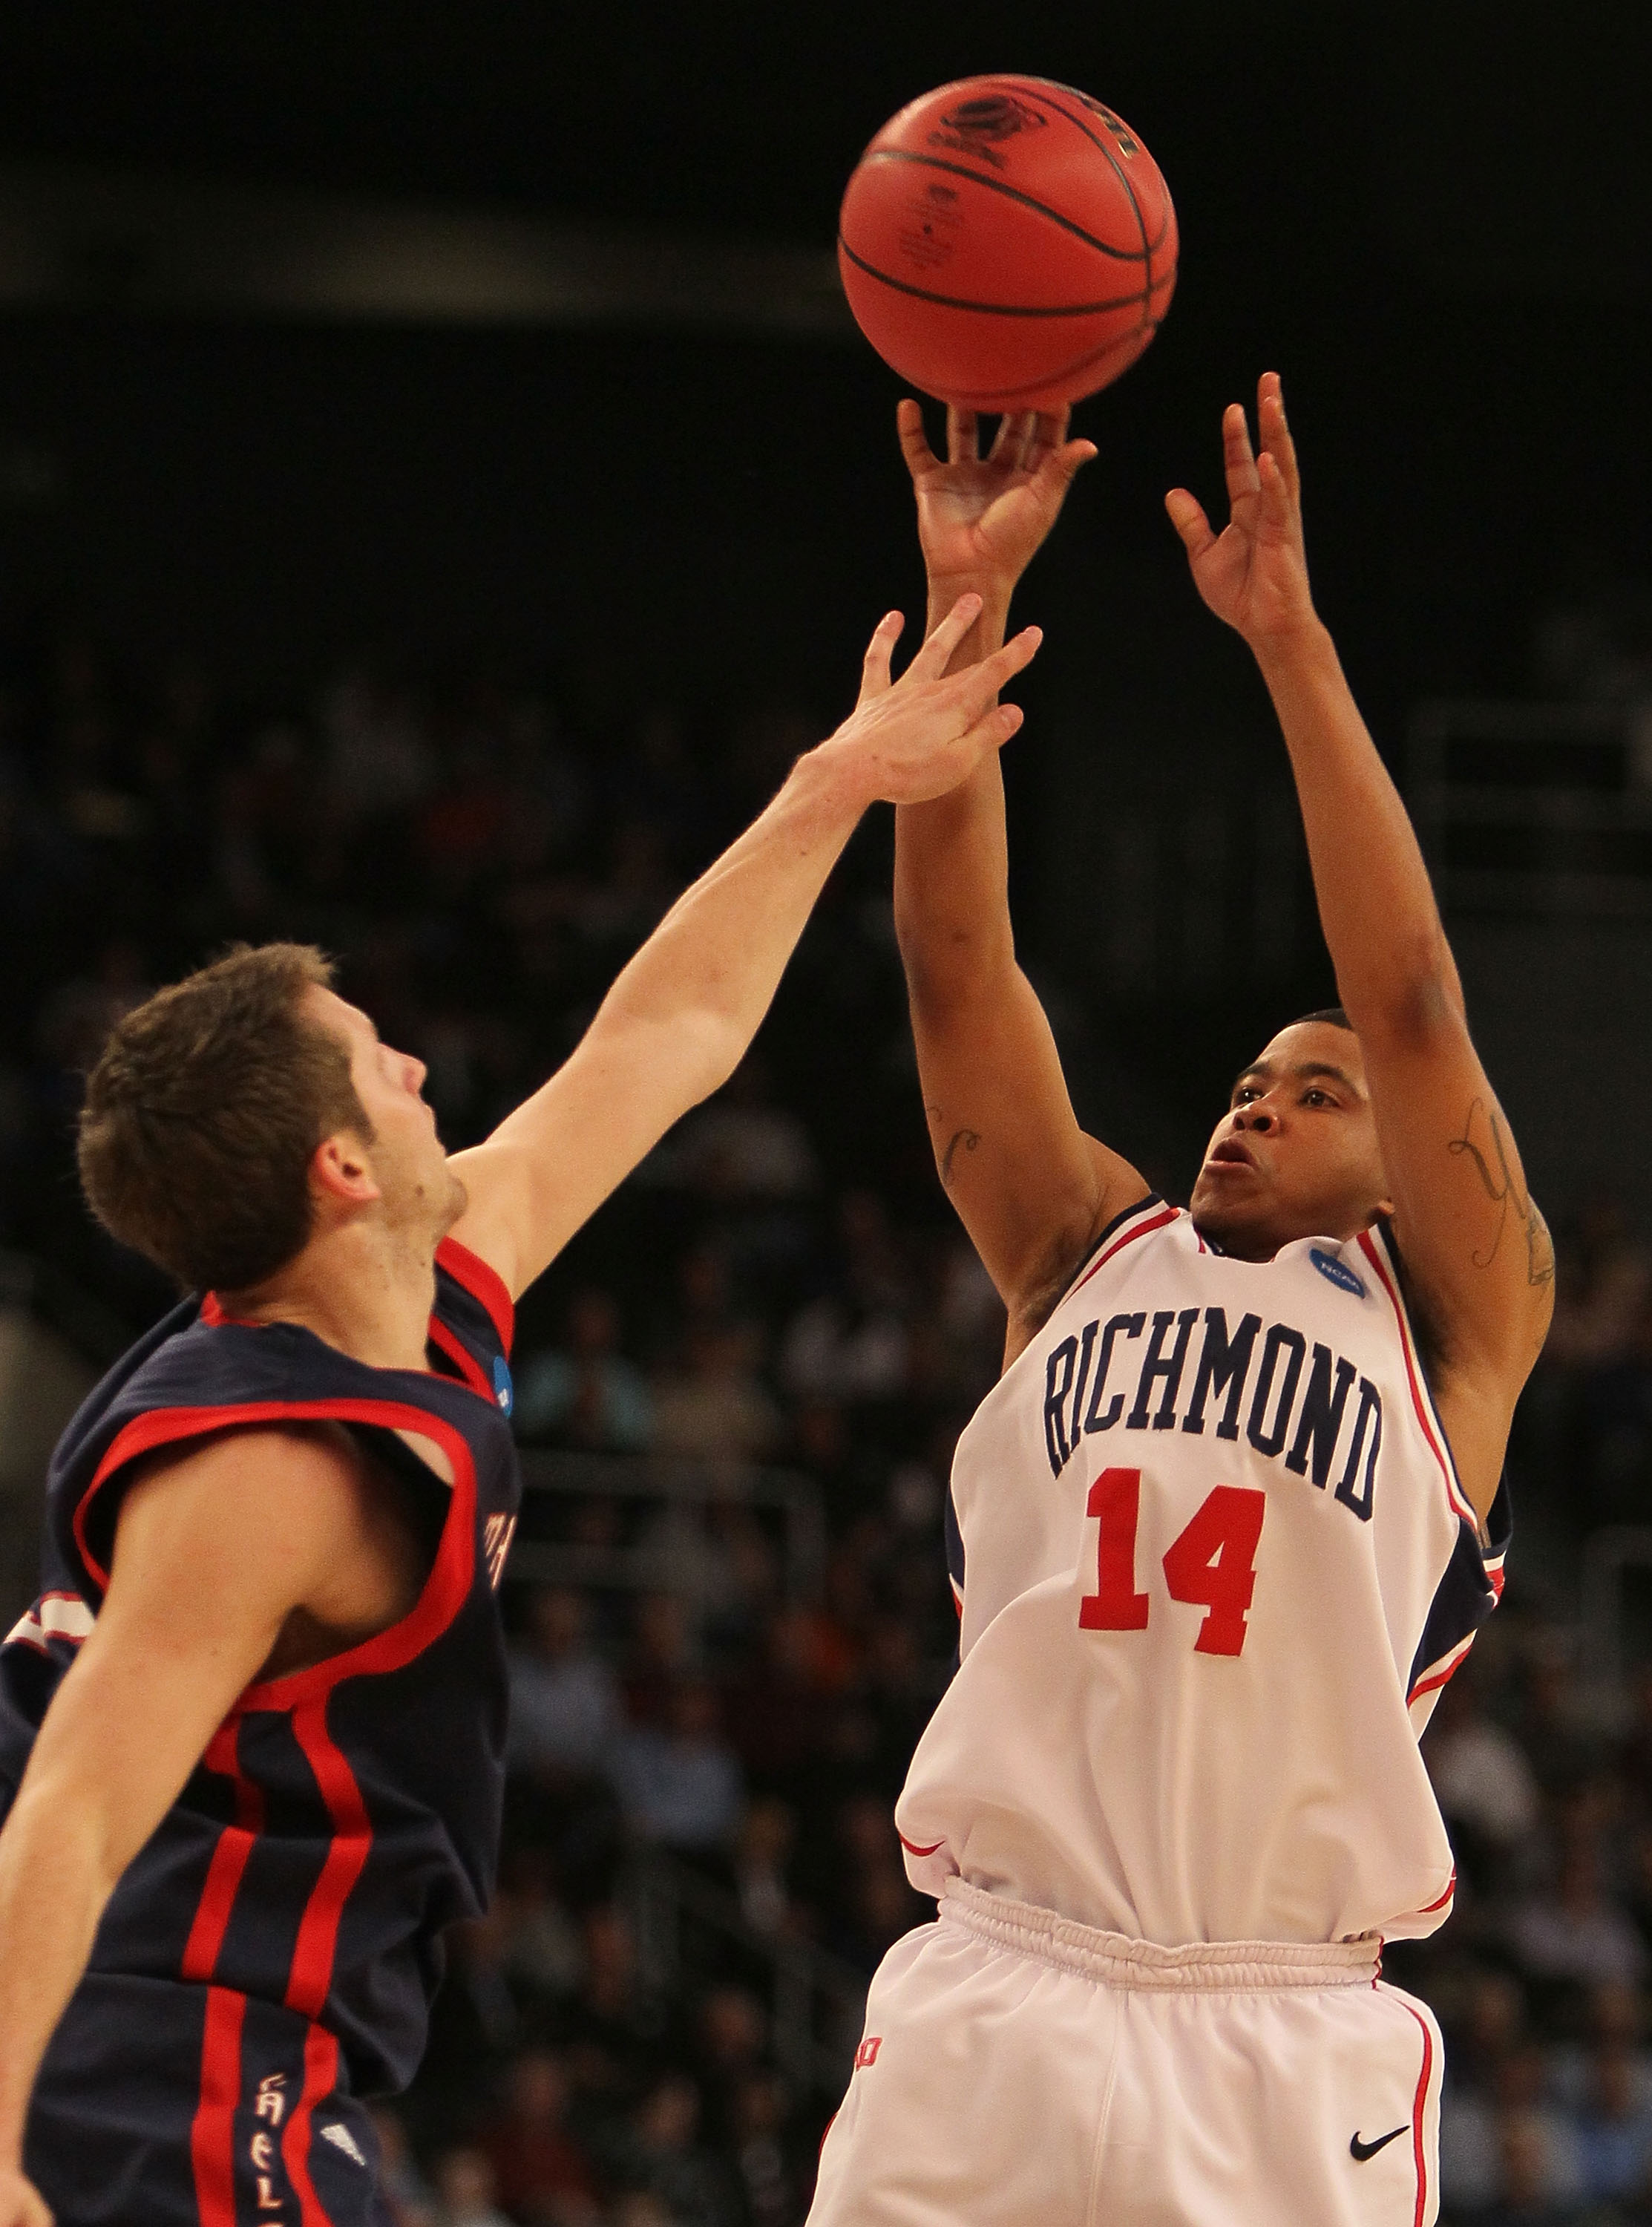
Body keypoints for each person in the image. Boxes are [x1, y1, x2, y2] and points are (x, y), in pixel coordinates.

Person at [0, 591, 1042, 2227]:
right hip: (142, 2069)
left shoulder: (422, 1282)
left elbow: (668, 1032)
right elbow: (66, 1807)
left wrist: (846, 773)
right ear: (340, 1171)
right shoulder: (268, 1467)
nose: (418, 1069)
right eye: (377, 1059)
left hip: (256, 2057)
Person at [808, 379, 1553, 2226]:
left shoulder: (1455, 1327)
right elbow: (953, 957)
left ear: (1405, 1168)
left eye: (1318, 1092)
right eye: (1245, 1077)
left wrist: (1290, 645)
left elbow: (1417, 1004)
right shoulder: (1081, 1254)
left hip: (1279, 2034)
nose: (1257, 1101)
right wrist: (964, 602)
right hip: (1000, 1977)